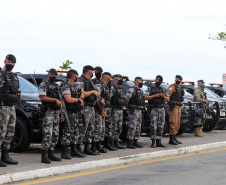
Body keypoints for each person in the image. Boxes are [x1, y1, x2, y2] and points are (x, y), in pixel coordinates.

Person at [60, 69, 86, 159]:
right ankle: (64, 152)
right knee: (67, 132)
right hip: (68, 112)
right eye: (76, 76)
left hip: (75, 112)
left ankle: (74, 151)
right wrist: (78, 100)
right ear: (74, 76)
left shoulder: (73, 86)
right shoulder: (66, 85)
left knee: (75, 132)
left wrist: (80, 96)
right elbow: (68, 99)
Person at [39, 69, 62, 164]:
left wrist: (62, 113)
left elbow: (60, 100)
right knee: (47, 134)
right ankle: (44, 155)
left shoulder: (56, 86)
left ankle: (51, 153)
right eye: (51, 74)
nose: (53, 76)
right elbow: (42, 97)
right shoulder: (44, 84)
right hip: (48, 112)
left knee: (55, 134)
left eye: (55, 74)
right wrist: (54, 100)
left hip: (56, 112)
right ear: (48, 75)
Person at [75, 65, 100, 155]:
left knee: (90, 129)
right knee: (82, 128)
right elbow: (80, 94)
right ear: (90, 72)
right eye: (92, 72)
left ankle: (87, 148)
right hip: (84, 108)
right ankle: (77, 148)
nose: (92, 74)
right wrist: (92, 92)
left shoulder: (89, 82)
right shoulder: (80, 81)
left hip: (91, 107)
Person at [0, 54, 19, 167]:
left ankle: (5, 155)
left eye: (12, 62)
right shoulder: (1, 74)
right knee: (1, 132)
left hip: (12, 107)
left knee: (10, 132)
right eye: (8, 61)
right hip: (2, 107)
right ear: (4, 61)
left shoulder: (14, 76)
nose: (10, 64)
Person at [145, 75, 169, 148]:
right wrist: (155, 96)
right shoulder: (150, 88)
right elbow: (146, 97)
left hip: (161, 109)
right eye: (157, 80)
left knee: (161, 125)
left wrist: (163, 96)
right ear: (155, 80)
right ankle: (153, 142)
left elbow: (168, 99)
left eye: (160, 81)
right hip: (154, 109)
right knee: (153, 126)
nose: (158, 82)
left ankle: (159, 141)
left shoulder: (163, 89)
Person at [93, 72, 113, 153]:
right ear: (108, 79)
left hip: (103, 110)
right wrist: (102, 109)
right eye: (110, 79)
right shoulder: (99, 86)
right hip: (98, 110)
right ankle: (94, 147)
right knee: (97, 129)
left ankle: (99, 146)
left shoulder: (105, 87)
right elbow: (97, 99)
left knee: (101, 129)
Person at [125, 77, 145, 149]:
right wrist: (127, 108)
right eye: (141, 81)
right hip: (133, 110)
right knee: (132, 126)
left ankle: (135, 141)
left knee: (138, 127)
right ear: (137, 82)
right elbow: (127, 99)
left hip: (139, 110)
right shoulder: (131, 89)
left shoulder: (140, 91)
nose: (142, 83)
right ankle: (129, 142)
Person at [167, 75, 184, 145]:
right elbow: (167, 97)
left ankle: (174, 137)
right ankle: (171, 139)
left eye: (179, 79)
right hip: (173, 106)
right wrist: (170, 105)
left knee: (177, 123)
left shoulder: (180, 88)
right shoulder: (172, 87)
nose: (177, 80)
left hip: (179, 106)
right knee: (173, 122)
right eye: (176, 79)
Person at [111, 74, 126, 149]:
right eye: (120, 79)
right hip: (114, 109)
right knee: (113, 126)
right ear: (115, 79)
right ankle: (111, 143)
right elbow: (109, 98)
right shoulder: (112, 87)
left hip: (120, 109)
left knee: (119, 127)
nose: (121, 80)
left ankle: (116, 142)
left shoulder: (120, 88)